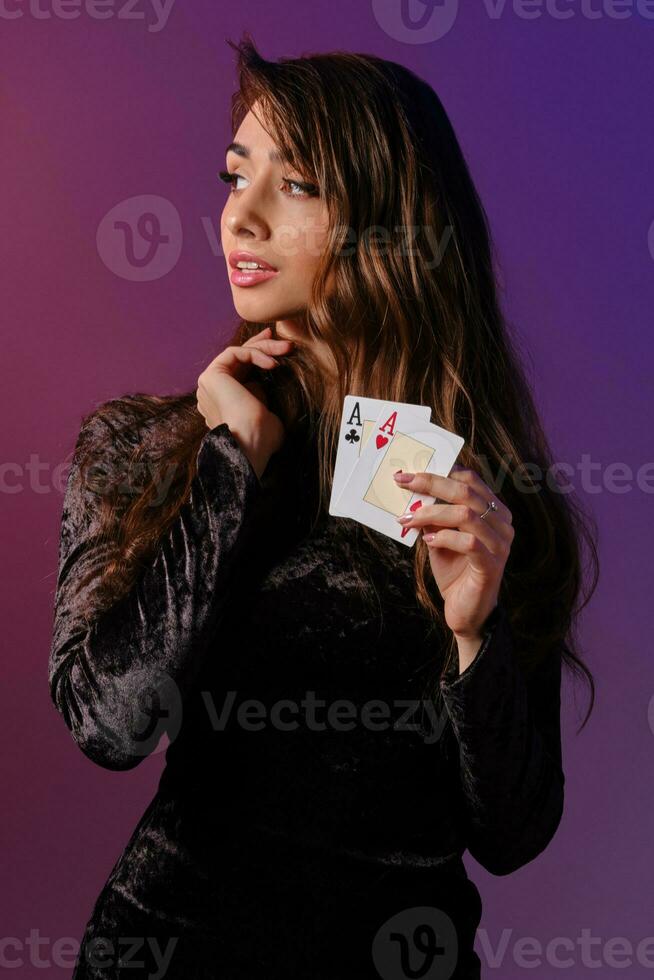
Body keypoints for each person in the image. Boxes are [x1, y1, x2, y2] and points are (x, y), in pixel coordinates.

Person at [48, 36, 598, 980]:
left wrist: (475, 635)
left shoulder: (486, 503)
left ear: (393, 222)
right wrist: (228, 473)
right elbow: (109, 725)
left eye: (295, 184)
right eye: (234, 175)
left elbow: (511, 832)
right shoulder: (143, 448)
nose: (240, 218)